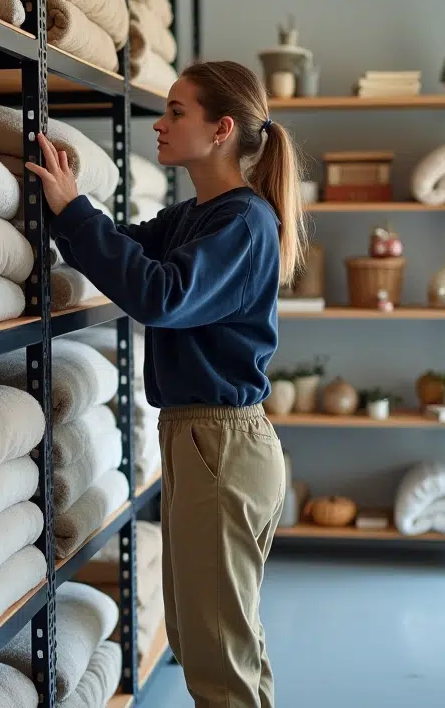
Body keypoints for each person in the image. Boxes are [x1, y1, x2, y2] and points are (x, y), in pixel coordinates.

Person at [25, 60, 303, 708]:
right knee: (214, 640)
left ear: (221, 129)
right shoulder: (199, 215)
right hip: (203, 441)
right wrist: (71, 211)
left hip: (221, 445)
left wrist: (72, 210)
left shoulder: (243, 222)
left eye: (178, 111)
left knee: (216, 656)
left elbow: (159, 295)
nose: (162, 123)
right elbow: (127, 248)